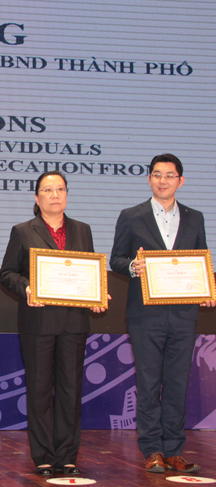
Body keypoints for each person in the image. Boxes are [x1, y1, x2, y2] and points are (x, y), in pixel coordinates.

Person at [110, 153, 215, 474]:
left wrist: (208, 287)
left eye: (169, 175)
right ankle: (153, 449)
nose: (163, 180)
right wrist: (132, 266)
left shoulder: (195, 217)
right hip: (145, 315)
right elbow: (116, 259)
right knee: (148, 381)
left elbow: (201, 261)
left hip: (183, 314)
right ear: (149, 179)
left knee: (177, 382)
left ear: (180, 180)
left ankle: (175, 449)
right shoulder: (131, 216)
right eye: (157, 174)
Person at [0, 171, 107, 476]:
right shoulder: (22, 231)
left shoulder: (82, 230)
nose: (55, 195)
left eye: (60, 189)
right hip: (38, 323)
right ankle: (44, 456)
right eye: (48, 190)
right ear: (37, 198)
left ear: (67, 195)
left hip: (74, 322)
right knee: (39, 392)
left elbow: (89, 273)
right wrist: (27, 289)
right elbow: (7, 274)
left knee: (71, 391)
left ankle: (67, 455)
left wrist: (97, 293)